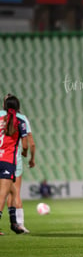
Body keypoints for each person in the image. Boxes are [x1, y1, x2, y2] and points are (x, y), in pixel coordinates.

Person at [3, 94, 36, 234]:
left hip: (1, 156)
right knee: (14, 192)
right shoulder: (22, 119)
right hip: (13, 160)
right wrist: (30, 158)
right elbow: (30, 144)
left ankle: (14, 223)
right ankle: (19, 224)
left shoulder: (1, 117)